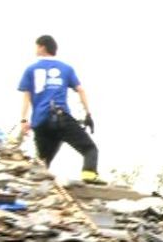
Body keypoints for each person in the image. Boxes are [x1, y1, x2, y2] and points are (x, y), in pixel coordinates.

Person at [18, 35, 101, 183]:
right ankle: (89, 176)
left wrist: (24, 120)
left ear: (42, 47)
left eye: (36, 46)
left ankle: (39, 184)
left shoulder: (30, 69)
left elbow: (26, 97)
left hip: (40, 122)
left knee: (43, 163)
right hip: (61, 118)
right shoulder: (66, 68)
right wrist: (88, 114)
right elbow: (81, 90)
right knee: (89, 149)